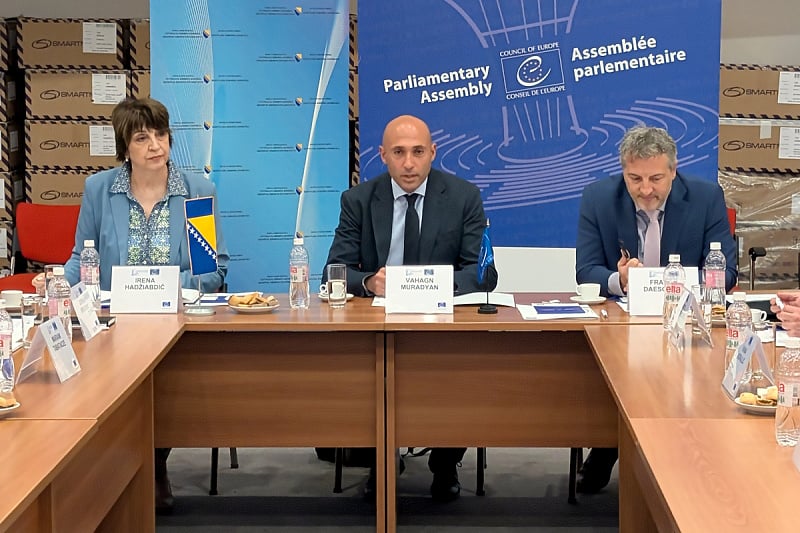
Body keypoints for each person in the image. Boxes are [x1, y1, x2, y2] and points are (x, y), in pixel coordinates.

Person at [35, 97, 229, 513]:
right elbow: (82, 256)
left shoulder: (197, 191)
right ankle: (119, 468)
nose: (155, 146)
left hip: (174, 321)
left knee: (169, 382)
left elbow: (211, 270)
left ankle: (153, 463)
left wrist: (166, 289)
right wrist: (58, 282)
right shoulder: (100, 189)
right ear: (125, 147)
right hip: (113, 323)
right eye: (142, 138)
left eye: (161, 135)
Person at [324, 114, 497, 501]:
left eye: (418, 152)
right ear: (382, 155)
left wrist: (433, 286)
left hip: (442, 323)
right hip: (378, 325)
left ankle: (445, 462)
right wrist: (370, 282)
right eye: (398, 153)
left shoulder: (463, 197)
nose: (408, 164)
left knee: (464, 367)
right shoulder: (358, 201)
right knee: (362, 369)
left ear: (432, 152)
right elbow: (334, 272)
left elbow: (482, 273)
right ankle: (380, 460)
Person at [574, 125, 737, 493]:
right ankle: (607, 444)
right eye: (635, 179)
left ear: (673, 171)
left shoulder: (705, 197)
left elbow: (725, 272)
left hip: (688, 322)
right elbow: (586, 271)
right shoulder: (598, 198)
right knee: (615, 368)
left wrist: (684, 287)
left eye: (655, 179)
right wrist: (619, 279)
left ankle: (687, 457)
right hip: (622, 323)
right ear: (623, 172)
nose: (645, 189)